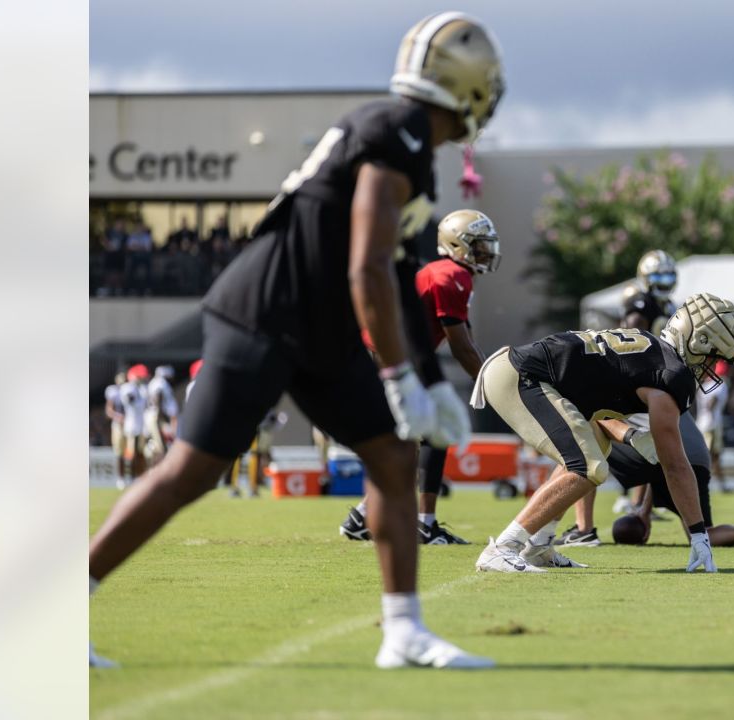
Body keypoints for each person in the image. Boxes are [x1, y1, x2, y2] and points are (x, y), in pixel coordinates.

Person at [88, 11, 503, 670]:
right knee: (189, 473)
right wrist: (399, 378)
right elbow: (367, 264)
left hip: (320, 326)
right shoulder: (396, 132)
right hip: (265, 313)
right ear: (471, 88)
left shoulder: (409, 144)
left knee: (394, 459)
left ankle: (404, 632)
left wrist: (426, 374)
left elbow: (394, 271)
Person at [472, 292, 734, 573]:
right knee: (587, 467)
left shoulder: (650, 349)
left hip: (517, 371)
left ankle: (539, 545)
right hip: (520, 377)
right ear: (697, 341)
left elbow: (598, 417)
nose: (712, 369)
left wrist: (629, 435)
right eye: (713, 359)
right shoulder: (671, 374)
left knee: (595, 449)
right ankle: (504, 548)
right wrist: (699, 534)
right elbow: (675, 465)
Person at [339, 209, 502, 544]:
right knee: (429, 433)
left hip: (385, 354)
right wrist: (494, 388)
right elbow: (461, 348)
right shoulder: (452, 276)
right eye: (479, 245)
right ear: (458, 245)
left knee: (415, 438)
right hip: (385, 356)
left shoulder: (450, 273)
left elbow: (466, 340)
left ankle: (365, 517)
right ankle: (420, 523)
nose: (486, 252)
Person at [555, 249, 681, 546]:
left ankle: (585, 527)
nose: (663, 281)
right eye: (658, 275)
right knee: (657, 449)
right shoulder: (642, 303)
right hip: (655, 384)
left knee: (586, 445)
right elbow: (634, 333)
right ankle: (639, 512)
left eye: (667, 275)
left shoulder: (662, 303)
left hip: (638, 384)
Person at [601, 414, 734, 549]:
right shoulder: (662, 386)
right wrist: (643, 511)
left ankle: (583, 530)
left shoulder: (619, 395)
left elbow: (661, 461)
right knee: (701, 531)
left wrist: (642, 513)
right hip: (699, 456)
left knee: (591, 430)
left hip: (671, 455)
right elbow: (661, 470)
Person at [694, 359, 731, 493]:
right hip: (711, 424)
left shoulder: (705, 384)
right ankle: (700, 483)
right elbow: (711, 404)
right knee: (709, 456)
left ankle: (721, 485)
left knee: (714, 456)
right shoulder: (721, 385)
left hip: (702, 422)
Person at [118, 364, 151, 483]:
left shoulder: (142, 389)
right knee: (132, 454)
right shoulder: (128, 388)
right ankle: (131, 477)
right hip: (132, 425)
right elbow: (129, 400)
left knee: (141, 453)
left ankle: (139, 476)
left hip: (142, 425)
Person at [144, 365, 180, 466]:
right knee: (162, 447)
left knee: (161, 445)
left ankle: (156, 469)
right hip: (157, 417)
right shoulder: (160, 383)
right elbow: (158, 398)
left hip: (156, 417)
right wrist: (160, 417)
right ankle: (159, 470)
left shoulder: (154, 383)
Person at [104, 371, 128, 488]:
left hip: (131, 424)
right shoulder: (113, 392)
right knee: (120, 452)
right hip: (119, 424)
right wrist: (118, 417)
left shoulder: (131, 390)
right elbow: (109, 410)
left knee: (135, 451)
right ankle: (121, 478)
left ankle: (135, 477)